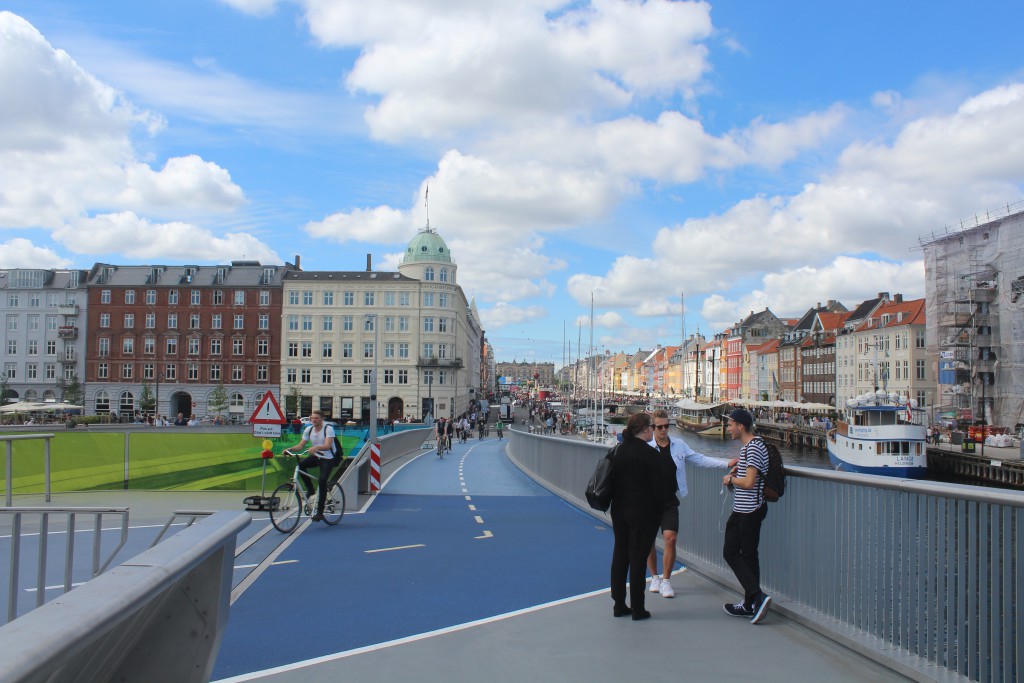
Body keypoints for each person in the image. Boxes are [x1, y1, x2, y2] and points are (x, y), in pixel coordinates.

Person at [646, 410, 737, 598]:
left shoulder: (678, 445)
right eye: (659, 427)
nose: (664, 430)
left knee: (670, 538)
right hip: (649, 501)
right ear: (652, 427)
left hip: (670, 501)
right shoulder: (646, 447)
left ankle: (666, 581)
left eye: (666, 426)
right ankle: (654, 576)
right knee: (648, 541)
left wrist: (726, 464)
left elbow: (699, 459)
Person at [608, 412, 662, 621]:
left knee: (620, 555)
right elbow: (660, 489)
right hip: (642, 512)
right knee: (638, 558)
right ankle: (638, 608)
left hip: (619, 510)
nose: (654, 430)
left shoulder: (618, 451)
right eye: (653, 426)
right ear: (645, 429)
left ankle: (619, 604)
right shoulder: (651, 455)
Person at [721, 408, 771, 624]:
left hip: (748, 510)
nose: (728, 428)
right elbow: (748, 479)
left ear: (741, 426)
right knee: (748, 555)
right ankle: (750, 603)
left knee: (731, 552)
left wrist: (730, 480)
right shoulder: (751, 447)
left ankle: (758, 597)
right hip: (744, 508)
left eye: (731, 424)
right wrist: (735, 476)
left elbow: (750, 483)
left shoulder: (752, 449)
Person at [286, 410, 338, 521]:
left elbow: (328, 446)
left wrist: (316, 447)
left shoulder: (328, 429)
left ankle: (320, 512)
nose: (313, 420)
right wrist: (289, 449)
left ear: (322, 419)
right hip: (316, 456)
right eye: (312, 418)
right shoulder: (308, 429)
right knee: (300, 466)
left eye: (316, 418)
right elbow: (300, 446)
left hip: (327, 458)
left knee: (322, 480)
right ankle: (310, 489)